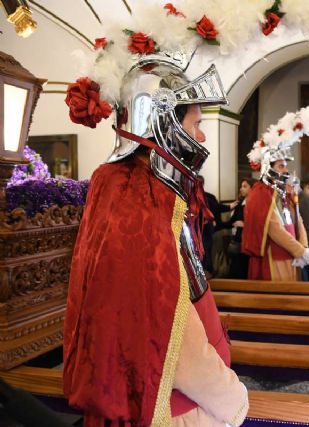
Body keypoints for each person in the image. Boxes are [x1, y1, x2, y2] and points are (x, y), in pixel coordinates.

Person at [64, 60, 249, 426]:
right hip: (172, 404)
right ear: (163, 123)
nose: (202, 137)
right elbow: (169, 333)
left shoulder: (136, 187)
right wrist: (231, 398)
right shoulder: (138, 194)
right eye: (196, 124)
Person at [243, 106, 309, 281]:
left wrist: (304, 247)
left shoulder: (283, 192)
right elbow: (274, 229)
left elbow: (298, 219)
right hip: (274, 257)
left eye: (286, 166)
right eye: (281, 166)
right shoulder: (260, 193)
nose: (286, 170)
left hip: (293, 256)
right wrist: (299, 250)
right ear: (269, 168)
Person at [221, 178, 254, 279]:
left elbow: (258, 224)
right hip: (238, 241)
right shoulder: (240, 205)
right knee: (236, 270)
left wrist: (245, 225)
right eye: (241, 186)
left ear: (252, 189)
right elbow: (231, 222)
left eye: (245, 186)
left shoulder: (254, 205)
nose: (241, 189)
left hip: (248, 243)